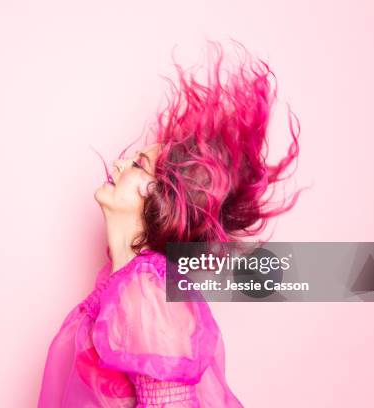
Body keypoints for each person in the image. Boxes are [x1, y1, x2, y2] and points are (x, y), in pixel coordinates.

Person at [38, 40, 303, 407]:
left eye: (136, 166)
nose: (117, 165)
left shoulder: (145, 289)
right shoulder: (124, 283)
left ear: (160, 198)